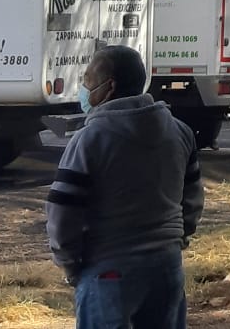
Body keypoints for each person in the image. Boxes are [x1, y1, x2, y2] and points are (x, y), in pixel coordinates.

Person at [46, 45, 203, 329]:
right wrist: (175, 240)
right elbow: (192, 200)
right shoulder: (180, 132)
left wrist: (69, 263)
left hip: (108, 272)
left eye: (88, 79)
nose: (83, 87)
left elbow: (62, 214)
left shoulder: (89, 140)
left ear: (109, 87)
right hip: (167, 268)